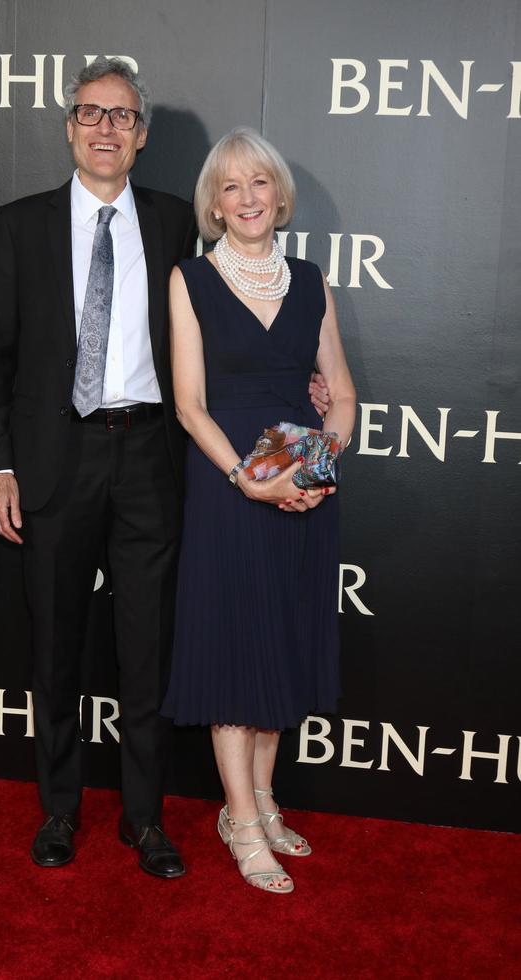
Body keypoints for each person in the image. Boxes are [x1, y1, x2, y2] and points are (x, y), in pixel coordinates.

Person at [0, 57, 198, 878]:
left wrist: (302, 377)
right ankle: (59, 812)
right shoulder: (19, 224)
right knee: (55, 647)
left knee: (147, 650)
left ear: (141, 137)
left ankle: (145, 821)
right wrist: (0, 467)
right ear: (69, 127)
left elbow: (214, 339)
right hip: (54, 458)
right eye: (91, 113)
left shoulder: (177, 222)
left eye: (123, 116)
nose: (107, 129)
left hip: (148, 456)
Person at [161, 127, 356, 894]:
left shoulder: (310, 281)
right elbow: (188, 405)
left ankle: (265, 800)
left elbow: (340, 395)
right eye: (231, 187)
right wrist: (250, 479)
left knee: (280, 644)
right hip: (228, 485)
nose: (247, 198)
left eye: (260, 184)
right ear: (215, 203)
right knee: (236, 650)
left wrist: (318, 464)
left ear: (280, 196)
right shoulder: (191, 280)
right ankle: (239, 819)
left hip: (302, 484)